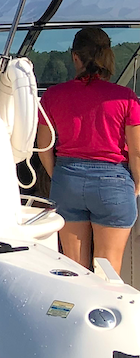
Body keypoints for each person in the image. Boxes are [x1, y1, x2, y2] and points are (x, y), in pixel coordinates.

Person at [35, 27, 140, 270]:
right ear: (107, 55)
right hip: (113, 183)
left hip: (67, 181)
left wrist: (58, 176)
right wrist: (136, 186)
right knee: (108, 269)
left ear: (75, 57)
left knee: (75, 269)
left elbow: (44, 146)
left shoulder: (52, 95)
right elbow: (136, 151)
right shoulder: (125, 97)